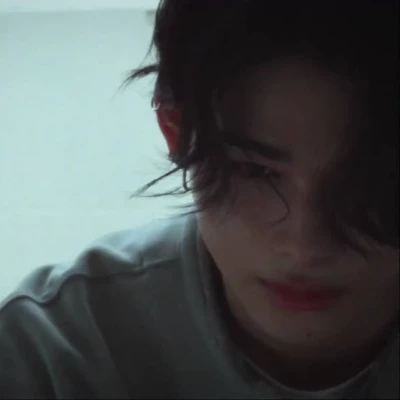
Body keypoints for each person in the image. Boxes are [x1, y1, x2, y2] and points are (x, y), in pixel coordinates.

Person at [0, 1, 398, 398]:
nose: (304, 247)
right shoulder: (48, 354)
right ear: (176, 132)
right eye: (253, 170)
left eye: (373, 178)